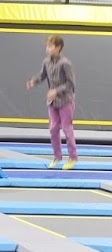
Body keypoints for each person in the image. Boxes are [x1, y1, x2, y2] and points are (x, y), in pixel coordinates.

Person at [27, 35, 77, 169]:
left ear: (58, 47)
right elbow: (42, 75)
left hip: (66, 101)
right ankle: (57, 156)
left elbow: (71, 84)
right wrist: (33, 81)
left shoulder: (65, 63)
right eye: (47, 46)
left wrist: (56, 91)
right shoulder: (46, 62)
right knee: (53, 128)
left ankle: (72, 157)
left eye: (50, 46)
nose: (47, 49)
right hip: (52, 102)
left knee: (66, 128)